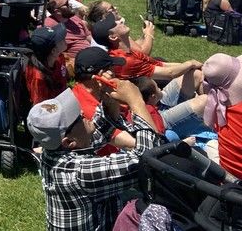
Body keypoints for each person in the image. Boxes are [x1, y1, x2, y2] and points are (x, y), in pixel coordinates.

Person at [27, 84, 162, 231]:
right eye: (77, 117)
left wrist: (108, 100)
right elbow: (145, 160)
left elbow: (101, 128)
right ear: (69, 142)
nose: (82, 112)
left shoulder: (53, 151)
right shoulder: (79, 172)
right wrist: (136, 101)